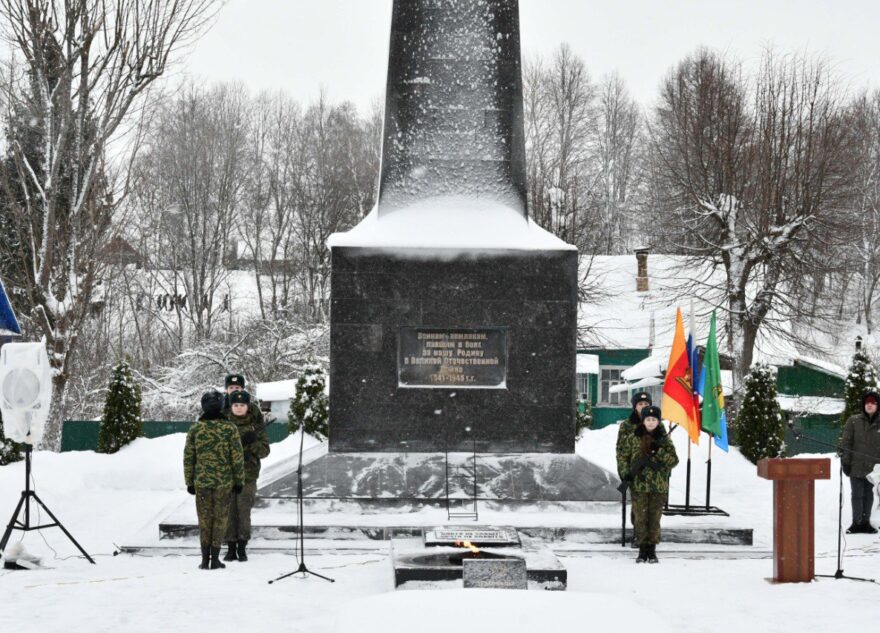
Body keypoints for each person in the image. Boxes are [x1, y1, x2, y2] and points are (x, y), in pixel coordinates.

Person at [184, 390, 245, 570]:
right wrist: (239, 481)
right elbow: (237, 457)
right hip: (223, 483)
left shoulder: (196, 429)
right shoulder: (229, 428)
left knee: (204, 520)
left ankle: (205, 560)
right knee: (220, 520)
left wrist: (189, 482)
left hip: (202, 482)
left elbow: (189, 458)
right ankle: (215, 559)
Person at [619, 405, 679, 563]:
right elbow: (623, 456)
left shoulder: (664, 439)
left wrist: (658, 451)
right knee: (640, 518)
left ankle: (652, 550)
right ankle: (641, 550)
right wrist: (625, 473)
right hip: (638, 485)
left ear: (658, 421)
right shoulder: (633, 437)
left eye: (654, 419)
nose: (651, 422)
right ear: (643, 421)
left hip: (658, 486)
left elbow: (674, 461)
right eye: (648, 419)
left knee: (654, 518)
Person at [223, 389, 270, 562]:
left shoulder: (255, 426)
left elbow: (265, 451)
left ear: (247, 406)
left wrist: (252, 444)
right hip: (227, 476)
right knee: (229, 513)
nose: (239, 408)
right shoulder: (224, 425)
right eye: (235, 405)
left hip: (248, 476)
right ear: (231, 406)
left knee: (243, 512)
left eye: (242, 405)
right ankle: (230, 547)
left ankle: (242, 547)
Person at [840, 391, 880, 534]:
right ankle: (856, 523)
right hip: (856, 465)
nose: (869, 405)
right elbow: (846, 443)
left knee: (869, 495)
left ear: (877, 405)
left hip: (874, 469)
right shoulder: (853, 421)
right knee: (857, 494)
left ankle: (866, 523)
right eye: (867, 402)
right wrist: (846, 462)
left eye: (873, 403)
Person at [616, 391, 653, 543]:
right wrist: (625, 472)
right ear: (634, 406)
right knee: (639, 504)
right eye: (640, 404)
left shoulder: (656, 423)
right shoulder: (626, 426)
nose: (643, 406)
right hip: (635, 471)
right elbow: (621, 452)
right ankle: (639, 534)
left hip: (653, 472)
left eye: (646, 404)